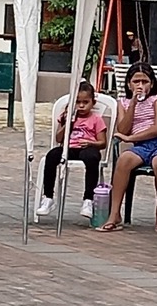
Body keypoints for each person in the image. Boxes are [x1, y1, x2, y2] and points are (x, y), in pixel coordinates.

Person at [101, 64, 157, 234]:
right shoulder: (123, 103)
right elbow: (123, 129)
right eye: (136, 81)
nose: (140, 85)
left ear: (151, 84)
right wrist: (133, 103)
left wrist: (131, 139)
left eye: (145, 81)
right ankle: (114, 213)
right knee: (124, 160)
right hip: (142, 146)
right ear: (129, 84)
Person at [39, 81, 109, 221]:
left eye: (85, 102)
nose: (81, 106)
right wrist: (68, 123)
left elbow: (103, 143)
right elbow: (59, 138)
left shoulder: (96, 119)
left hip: (87, 147)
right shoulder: (66, 117)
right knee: (52, 155)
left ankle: (88, 199)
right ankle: (48, 197)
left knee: (92, 158)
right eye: (77, 102)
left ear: (93, 103)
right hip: (69, 148)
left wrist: (90, 143)